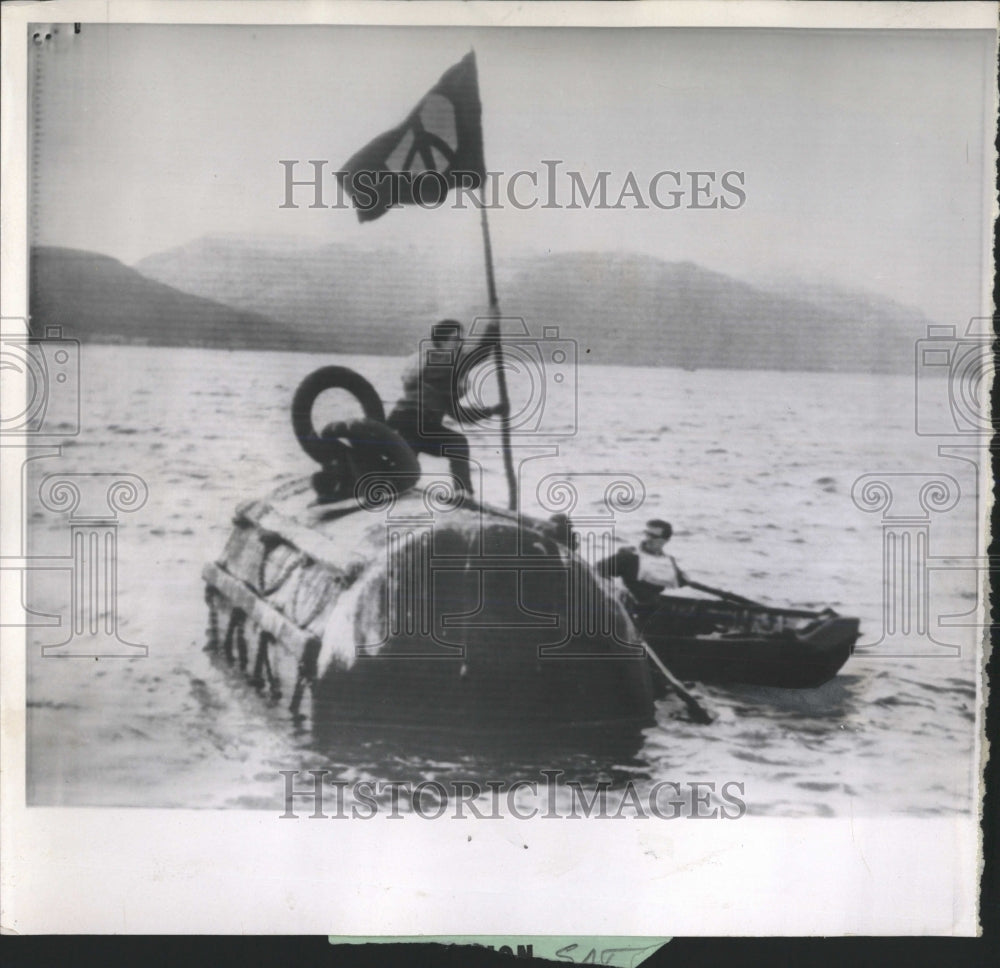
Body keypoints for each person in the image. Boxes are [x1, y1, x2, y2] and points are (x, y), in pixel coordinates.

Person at [386, 319, 506, 497]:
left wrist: (493, 410)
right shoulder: (442, 359)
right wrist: (493, 325)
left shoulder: (442, 373)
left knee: (405, 476)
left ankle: (391, 486)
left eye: (461, 340)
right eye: (455, 339)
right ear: (442, 341)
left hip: (405, 424)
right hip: (414, 421)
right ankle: (463, 492)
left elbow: (460, 414)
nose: (460, 344)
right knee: (457, 443)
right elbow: (480, 354)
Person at [597, 518, 688, 606]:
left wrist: (683, 578)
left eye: (654, 537)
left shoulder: (669, 561)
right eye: (647, 534)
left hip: (655, 606)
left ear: (665, 541)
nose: (648, 539)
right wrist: (612, 588)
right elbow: (598, 569)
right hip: (631, 607)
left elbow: (681, 582)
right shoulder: (630, 556)